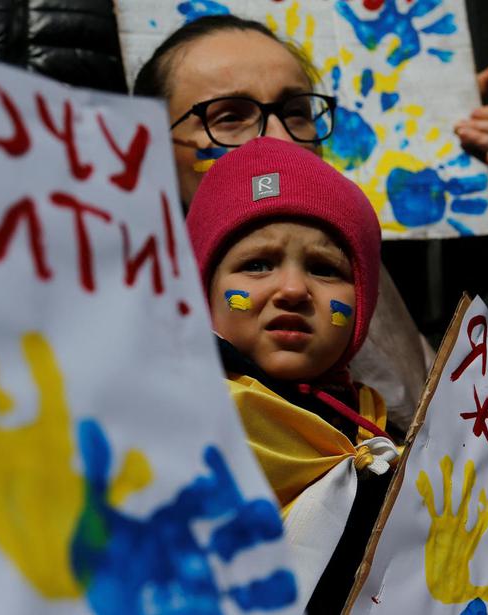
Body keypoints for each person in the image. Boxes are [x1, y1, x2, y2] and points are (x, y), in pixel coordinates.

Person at [132, 14, 488, 431]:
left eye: (296, 112)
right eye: (227, 118)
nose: (280, 138)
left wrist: (445, 150)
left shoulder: (354, 259)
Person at [186, 136, 397, 611]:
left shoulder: (387, 440)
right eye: (257, 265)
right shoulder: (167, 432)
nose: (293, 289)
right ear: (203, 291)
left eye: (325, 269)